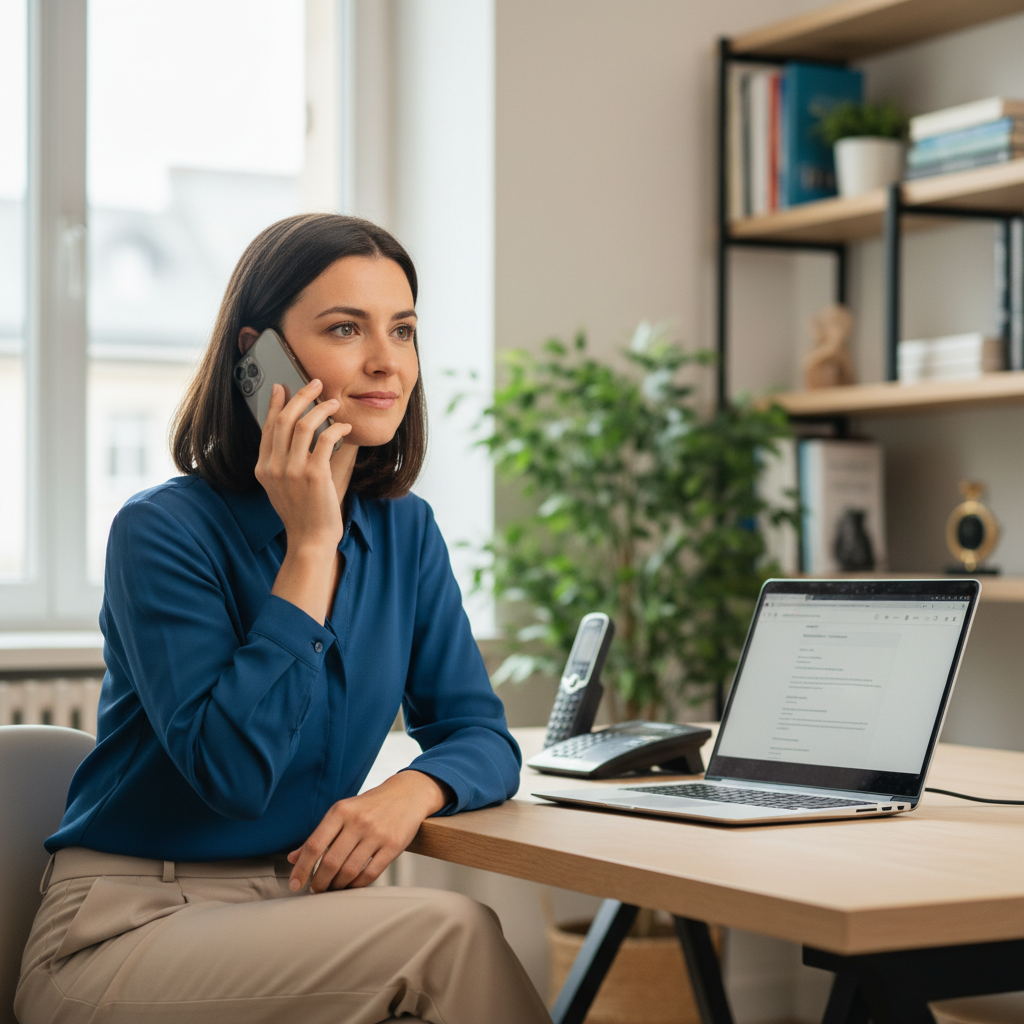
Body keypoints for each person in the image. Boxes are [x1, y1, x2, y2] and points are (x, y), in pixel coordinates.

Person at [15, 214, 553, 1024]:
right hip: (125, 930)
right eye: (346, 329)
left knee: (473, 942)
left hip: (292, 910)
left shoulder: (408, 533)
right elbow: (233, 776)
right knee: (448, 935)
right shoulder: (161, 531)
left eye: (402, 331)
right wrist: (311, 545)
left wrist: (411, 790)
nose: (386, 363)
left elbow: (480, 734)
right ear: (257, 358)